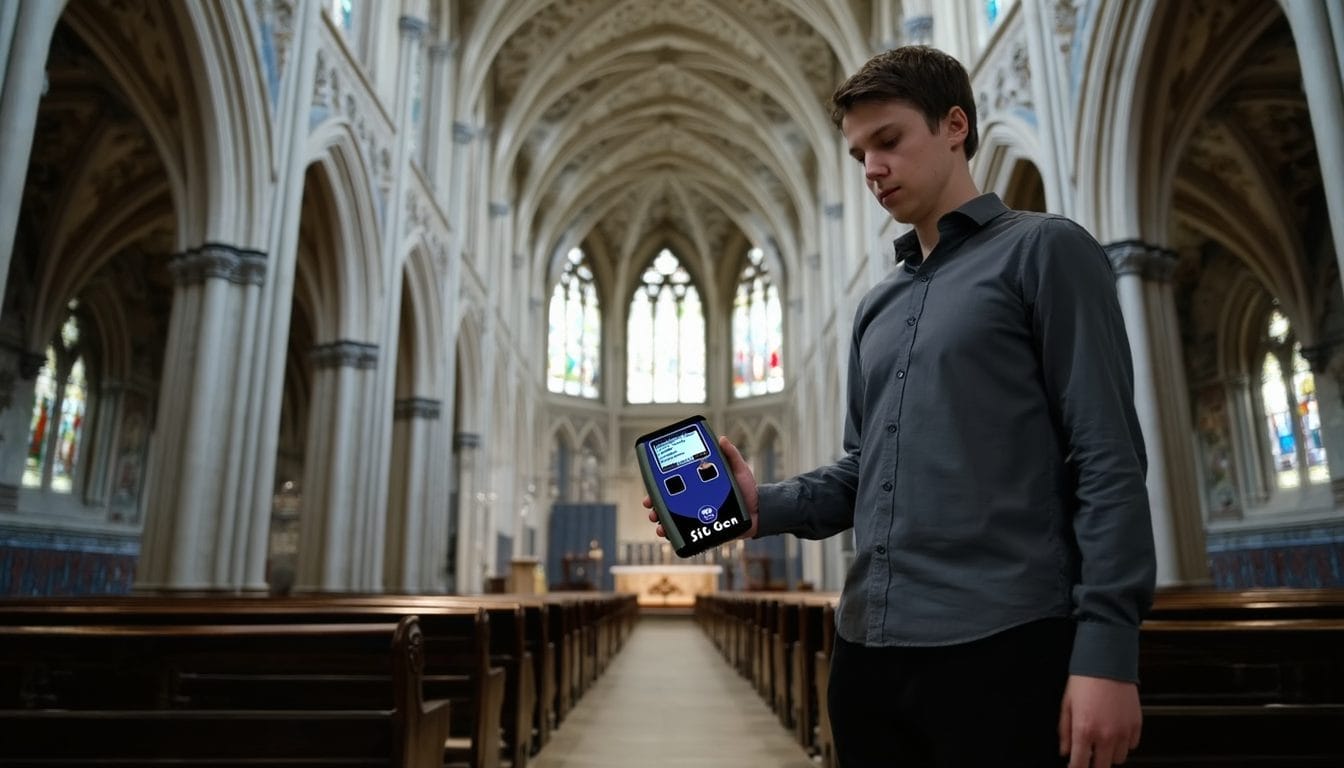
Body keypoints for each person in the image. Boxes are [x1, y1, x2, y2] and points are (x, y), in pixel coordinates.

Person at [647, 45, 1156, 768]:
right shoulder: (876, 306)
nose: (872, 169)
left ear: (954, 125)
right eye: (858, 154)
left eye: (888, 142)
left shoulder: (1046, 253)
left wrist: (1108, 649)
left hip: (1002, 642)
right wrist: (764, 506)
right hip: (866, 650)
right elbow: (866, 471)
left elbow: (1107, 458)